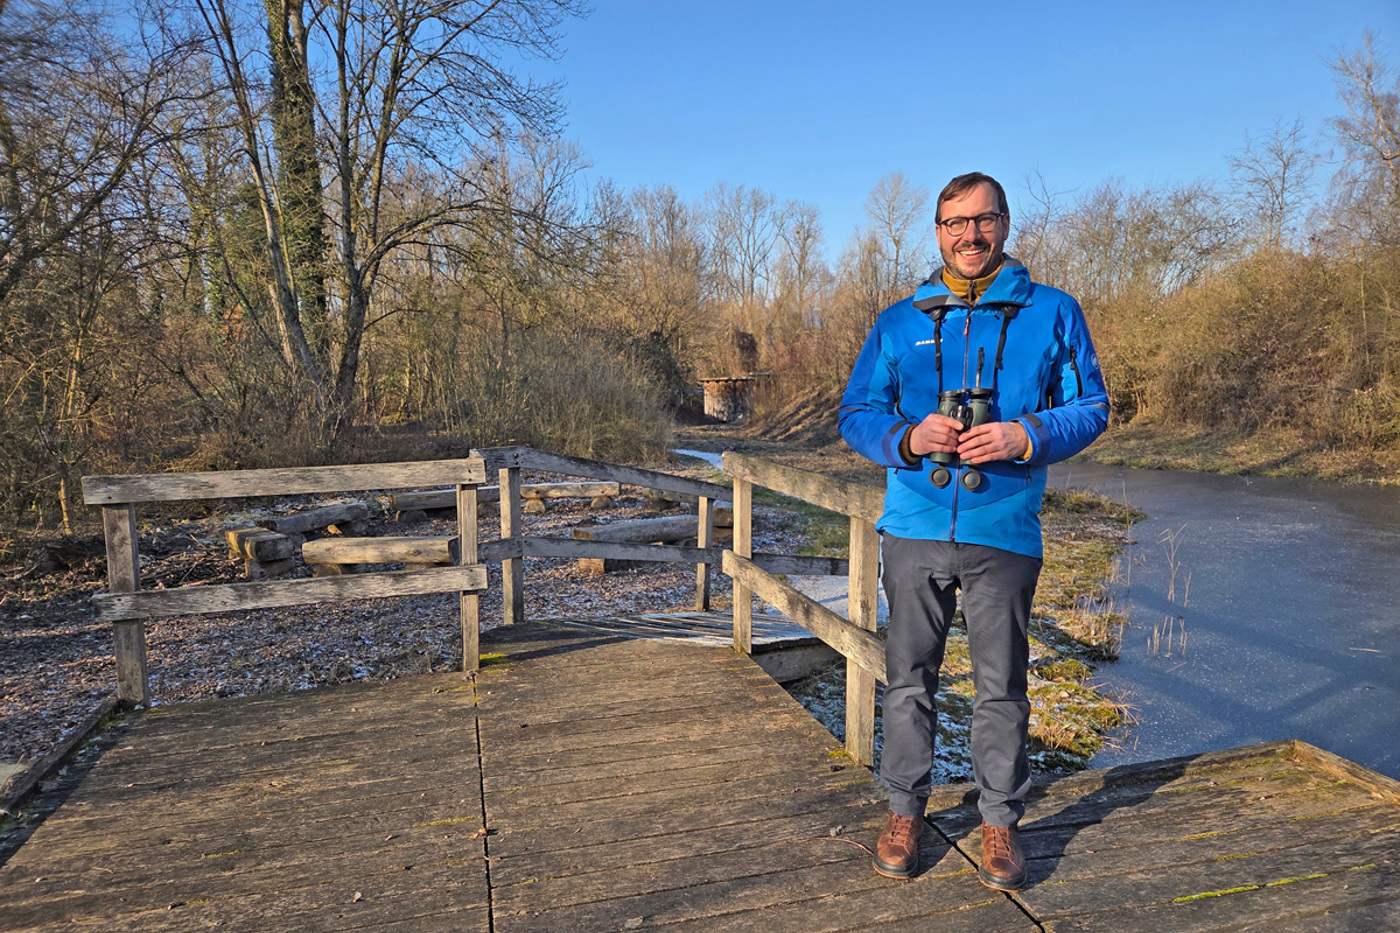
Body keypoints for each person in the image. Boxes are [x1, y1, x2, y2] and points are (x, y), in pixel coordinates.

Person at [838, 171, 1109, 889]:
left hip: (1004, 530)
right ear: (937, 232)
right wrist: (904, 435)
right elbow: (855, 412)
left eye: (983, 220)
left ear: (1005, 224)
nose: (970, 235)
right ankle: (903, 812)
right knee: (908, 682)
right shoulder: (899, 321)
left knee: (1000, 687)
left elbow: (1093, 406)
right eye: (955, 223)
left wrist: (1026, 434)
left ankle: (999, 825)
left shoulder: (1052, 312)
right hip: (915, 526)